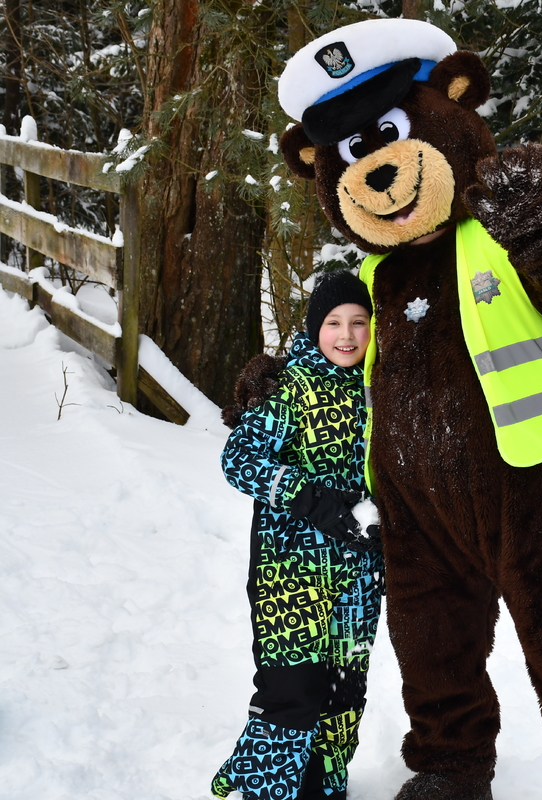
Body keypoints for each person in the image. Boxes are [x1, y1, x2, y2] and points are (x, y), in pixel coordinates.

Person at [212, 269, 383, 800]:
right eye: (333, 323)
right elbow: (239, 459)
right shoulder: (290, 388)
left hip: (359, 571)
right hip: (292, 573)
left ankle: (323, 784)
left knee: (344, 684)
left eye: (360, 322)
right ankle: (266, 787)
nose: (348, 335)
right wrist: (313, 500)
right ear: (314, 330)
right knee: (294, 686)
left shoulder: (380, 390)